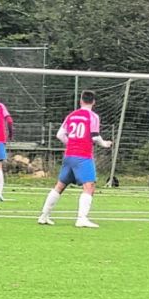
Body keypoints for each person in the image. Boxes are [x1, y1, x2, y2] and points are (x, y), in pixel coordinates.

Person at [37, 90, 112, 228]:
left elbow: (60, 135)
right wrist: (105, 144)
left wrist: (71, 143)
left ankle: (44, 216)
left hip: (69, 155)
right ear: (94, 102)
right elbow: (95, 137)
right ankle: (82, 218)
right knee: (89, 186)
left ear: (80, 101)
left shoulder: (72, 115)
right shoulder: (93, 116)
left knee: (60, 186)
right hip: (83, 156)